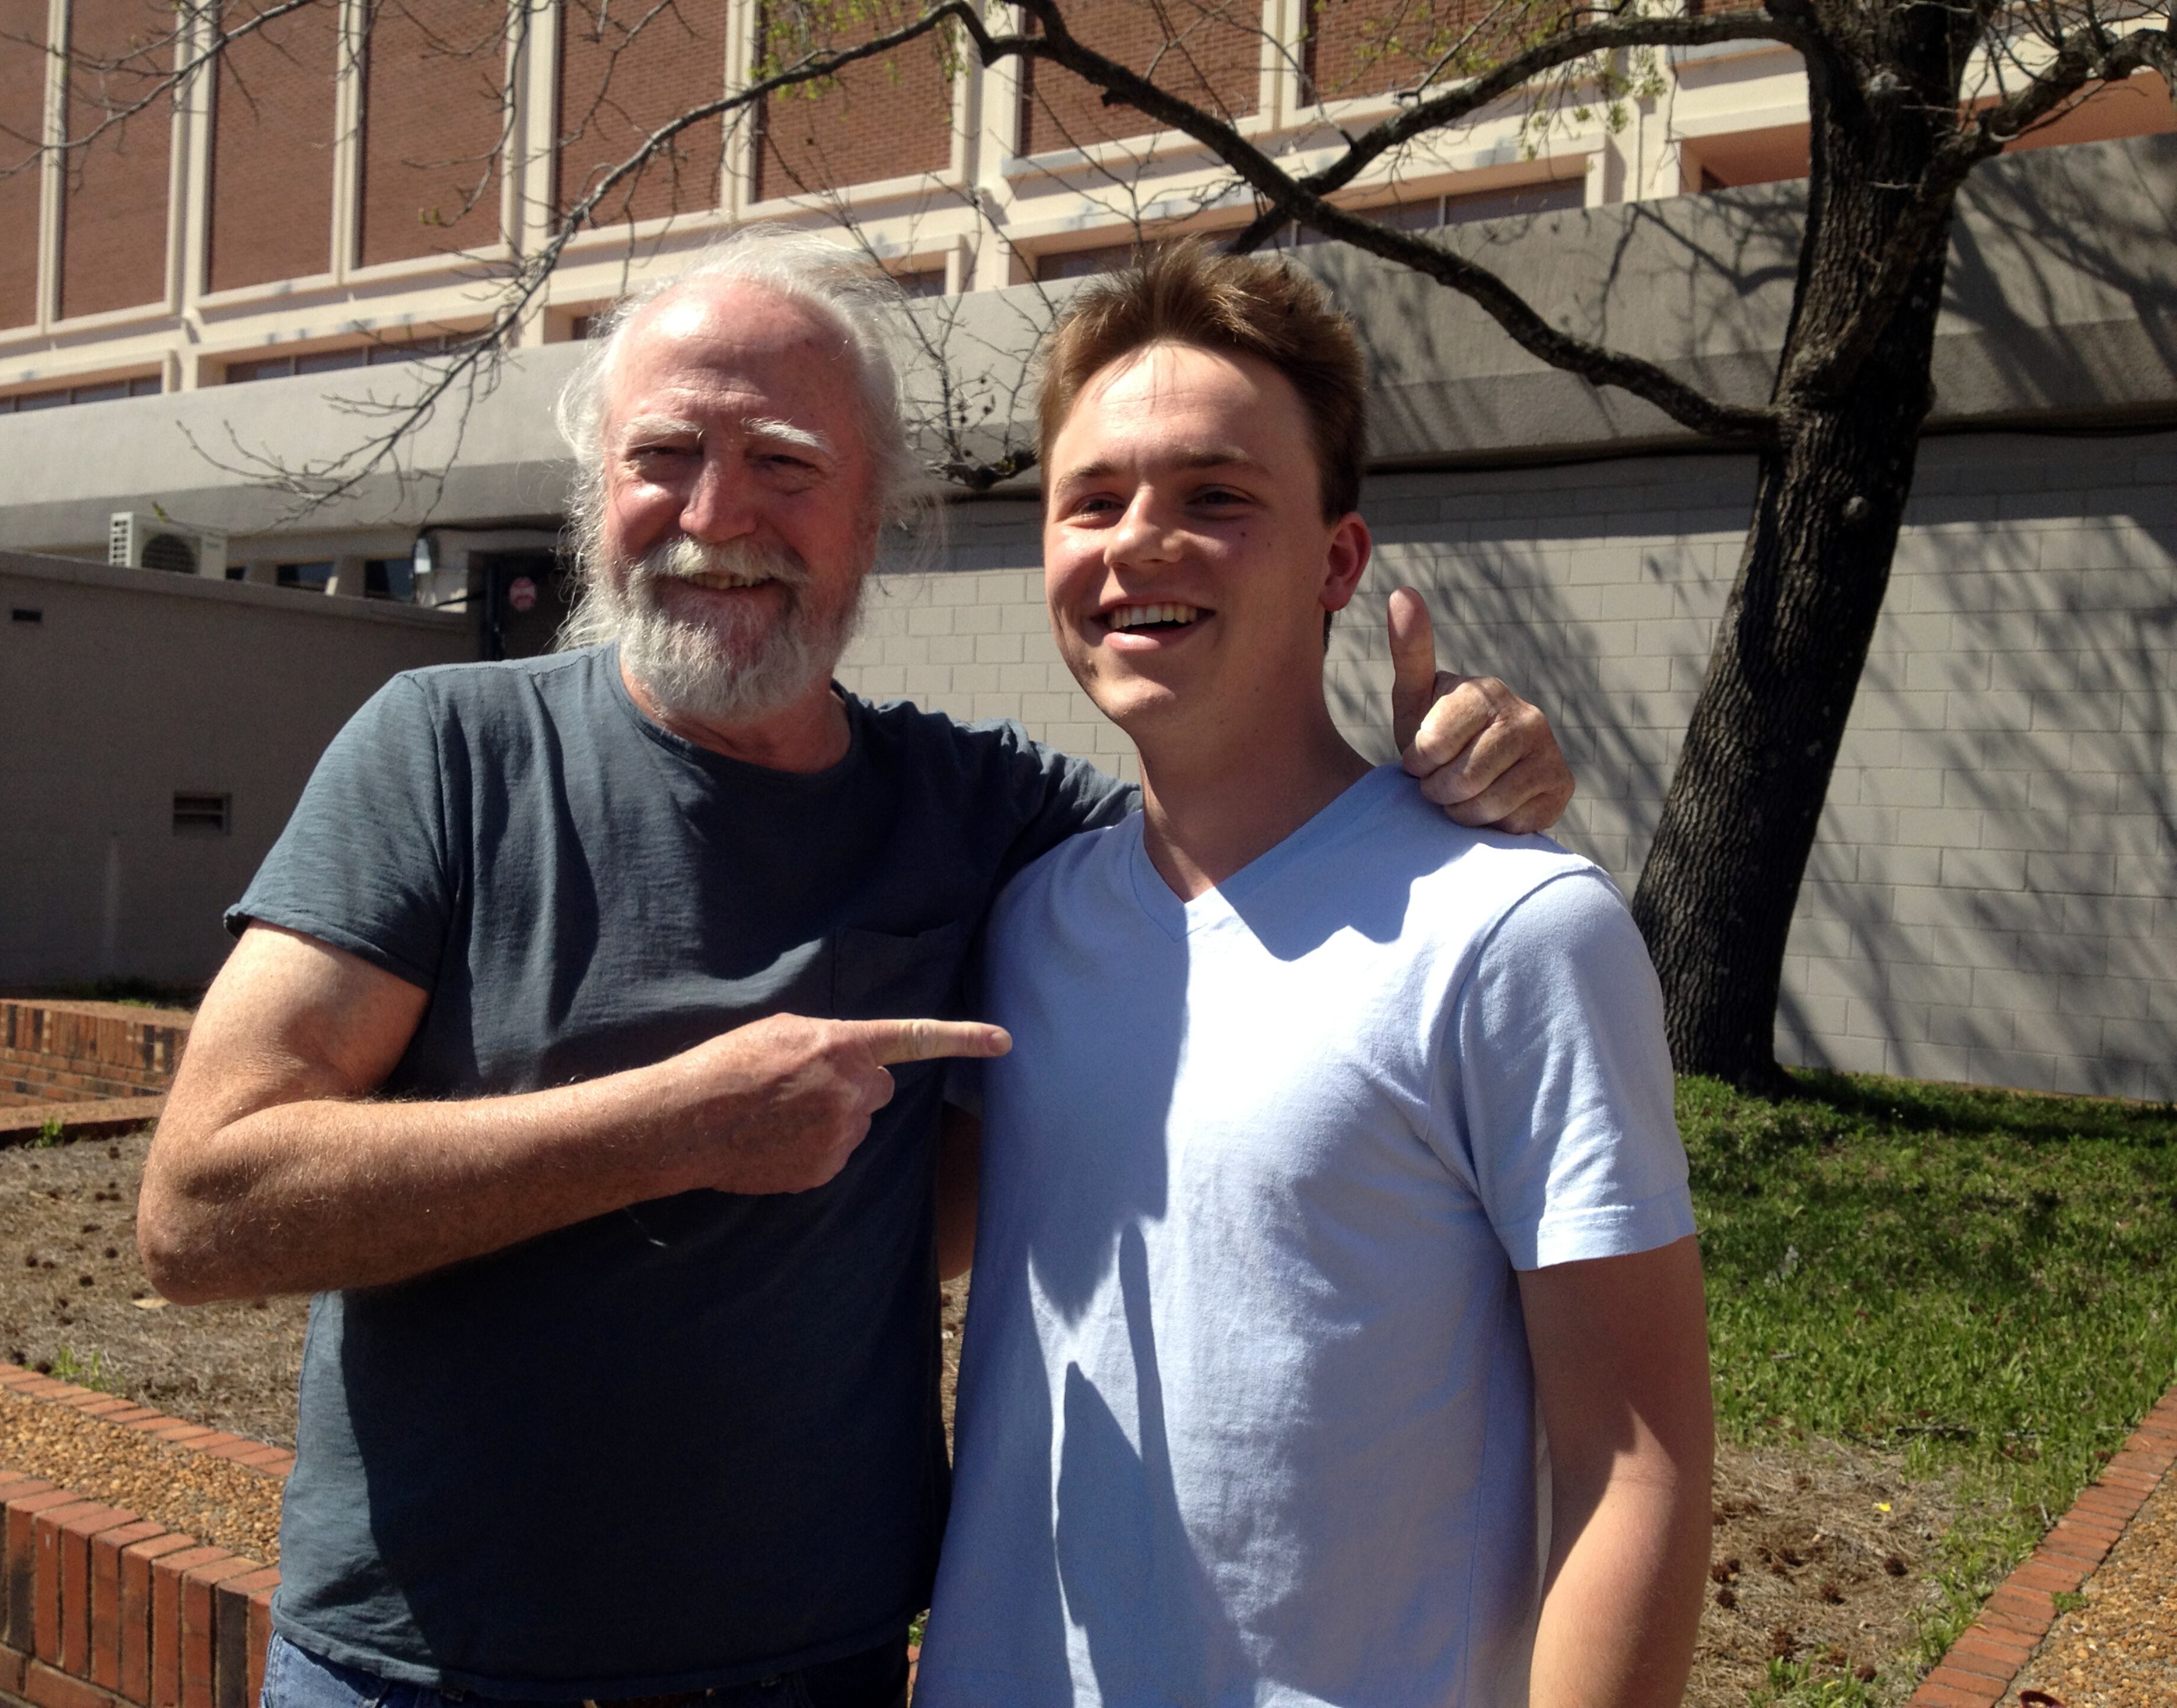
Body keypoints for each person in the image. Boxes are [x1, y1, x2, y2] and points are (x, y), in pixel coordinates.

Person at [136, 231, 1577, 1708]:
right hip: (416, 1670)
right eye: (664, 454)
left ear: (879, 515)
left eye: (783, 461)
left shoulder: (989, 819)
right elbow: (198, 1209)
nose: (715, 513)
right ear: (595, 501)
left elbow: (1241, 830)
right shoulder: (444, 752)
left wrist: (1465, 762)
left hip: (815, 1671)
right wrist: (668, 1130)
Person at [916, 247, 1714, 1708]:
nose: (1138, 543)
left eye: (1217, 499)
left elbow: (1638, 1465)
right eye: (1091, 500)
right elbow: (904, 1247)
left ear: (1339, 561)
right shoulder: (1023, 926)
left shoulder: (1515, 931)